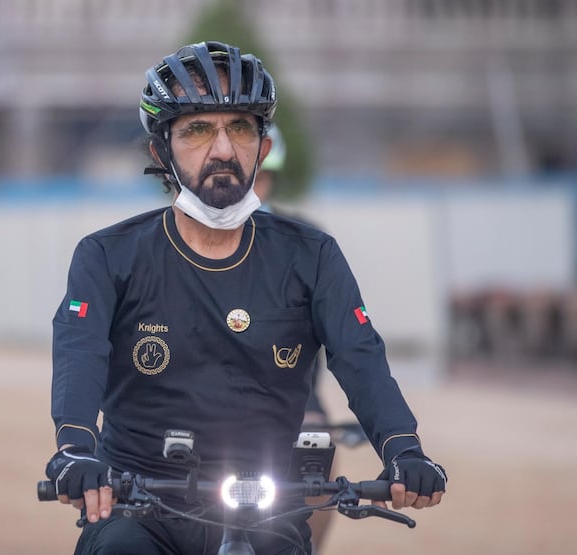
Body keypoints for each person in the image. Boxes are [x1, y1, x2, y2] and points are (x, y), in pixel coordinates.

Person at [46, 41, 446, 555]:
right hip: (137, 504)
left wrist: (403, 449)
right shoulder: (107, 256)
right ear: (159, 151)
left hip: (269, 507)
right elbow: (80, 355)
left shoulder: (311, 255)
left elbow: (360, 356)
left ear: (261, 145)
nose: (222, 149)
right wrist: (76, 452)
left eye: (240, 127)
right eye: (196, 130)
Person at [254, 123, 335, 553]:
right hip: (201, 395)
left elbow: (338, 333)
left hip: (292, 398)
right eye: (251, 174)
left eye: (265, 177)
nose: (255, 187)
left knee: (321, 455)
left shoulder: (306, 245)